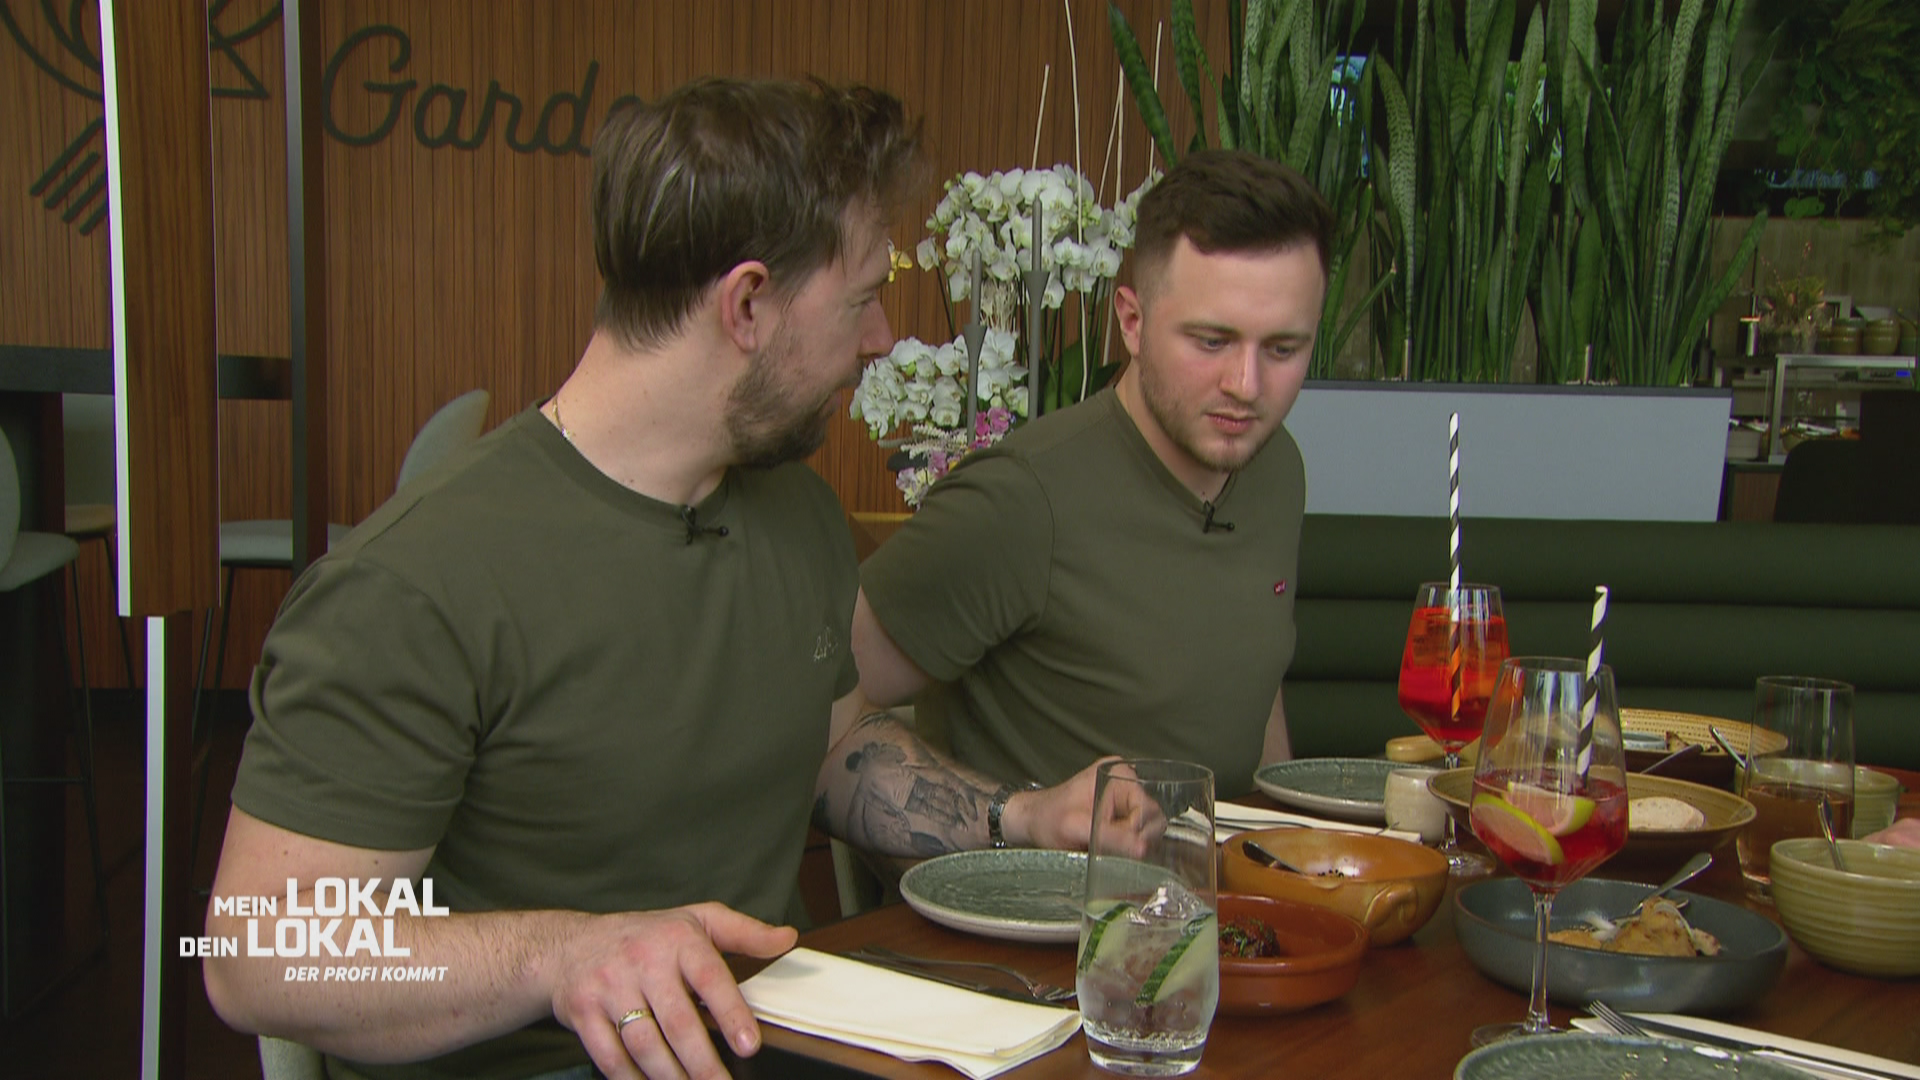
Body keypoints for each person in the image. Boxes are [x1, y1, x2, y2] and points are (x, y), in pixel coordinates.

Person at [202, 78, 1101, 1080]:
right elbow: (255, 956)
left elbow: (831, 744)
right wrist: (562, 957)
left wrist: (1018, 821)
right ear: (747, 304)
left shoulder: (793, 511)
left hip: (780, 1042)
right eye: (859, 298)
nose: (881, 335)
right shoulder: (413, 582)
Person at [851, 148, 1333, 805]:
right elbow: (813, 711)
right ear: (1132, 322)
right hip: (1041, 870)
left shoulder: (1277, 466)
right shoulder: (1021, 498)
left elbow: (1253, 678)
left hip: (1224, 865)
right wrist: (1007, 817)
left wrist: (1281, 837)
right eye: (1211, 341)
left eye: (1282, 348)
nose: (1246, 386)